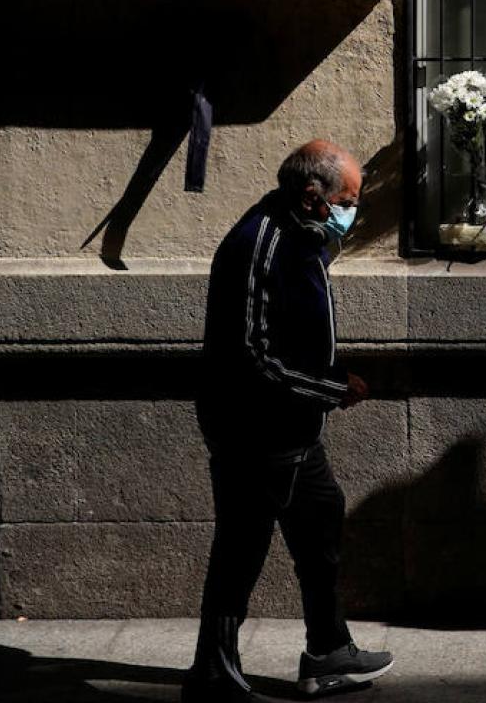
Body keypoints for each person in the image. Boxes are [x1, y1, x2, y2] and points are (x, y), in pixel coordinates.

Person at [184, 140, 395, 702]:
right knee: (241, 550)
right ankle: (212, 677)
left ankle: (328, 651)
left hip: (296, 432)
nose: (352, 211)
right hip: (255, 433)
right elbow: (253, 355)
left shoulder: (300, 236)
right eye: (346, 200)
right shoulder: (261, 243)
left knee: (322, 525)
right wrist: (329, 387)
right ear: (312, 196)